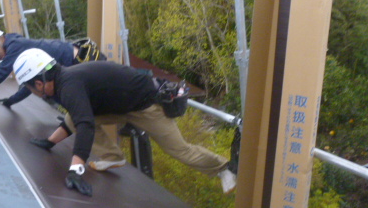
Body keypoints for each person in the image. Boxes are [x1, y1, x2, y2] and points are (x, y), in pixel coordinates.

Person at [13, 48, 237, 197]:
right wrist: (50, 143)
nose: (32, 92)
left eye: (30, 87)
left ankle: (224, 168)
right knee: (76, 117)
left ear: (40, 81)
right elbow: (78, 118)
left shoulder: (68, 85)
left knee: (179, 150)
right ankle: (114, 157)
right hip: (121, 106)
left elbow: (85, 126)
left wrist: (75, 170)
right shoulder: (65, 80)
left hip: (147, 106)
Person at [0, 27, 105, 107]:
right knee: (48, 87)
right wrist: (12, 100)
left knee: (78, 99)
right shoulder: (15, 43)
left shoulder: (14, 47)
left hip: (79, 61)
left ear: (0, 39)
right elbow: (30, 83)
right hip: (74, 60)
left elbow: (1, 73)